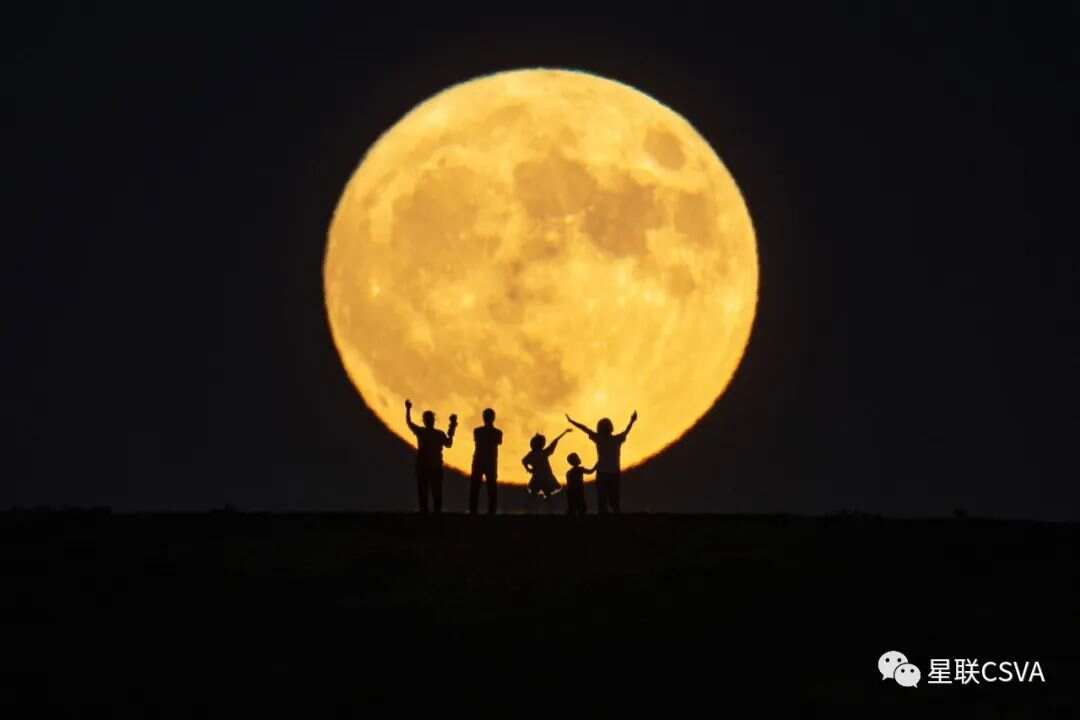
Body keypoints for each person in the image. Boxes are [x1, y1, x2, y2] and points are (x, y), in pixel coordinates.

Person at [566, 411, 637, 514]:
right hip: (613, 473)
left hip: (603, 473)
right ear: (611, 427)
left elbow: (584, 428)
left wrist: (571, 421)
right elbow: (627, 431)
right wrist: (632, 421)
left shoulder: (599, 438)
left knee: (603, 499)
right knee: (613, 499)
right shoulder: (616, 439)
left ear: (599, 428)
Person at [405, 399, 456, 514]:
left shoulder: (423, 432)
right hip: (431, 467)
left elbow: (409, 423)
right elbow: (449, 443)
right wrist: (452, 427)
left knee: (428, 492)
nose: (429, 421)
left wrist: (408, 410)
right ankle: (432, 513)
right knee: (433, 492)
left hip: (428, 467)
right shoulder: (436, 433)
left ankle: (429, 513)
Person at [521, 428, 572, 501]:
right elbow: (524, 461)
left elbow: (554, 442)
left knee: (541, 492)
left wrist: (528, 469)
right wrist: (528, 469)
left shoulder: (539, 453)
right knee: (539, 492)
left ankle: (542, 502)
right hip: (542, 475)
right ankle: (539, 502)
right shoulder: (540, 453)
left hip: (543, 475)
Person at [469, 408, 503, 515]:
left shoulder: (478, 431)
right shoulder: (497, 432)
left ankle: (475, 510)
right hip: (488, 461)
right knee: (487, 487)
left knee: (481, 487)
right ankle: (487, 511)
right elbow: (498, 442)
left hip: (482, 461)